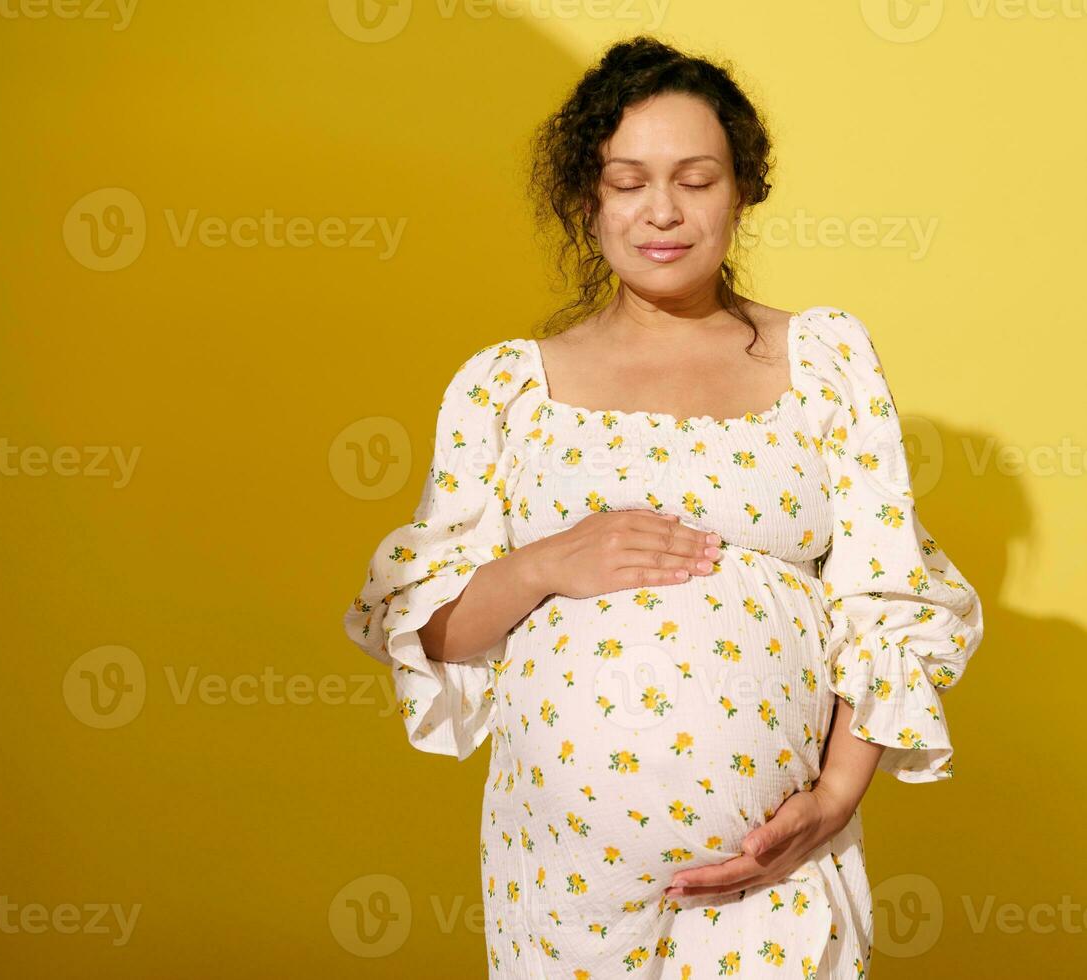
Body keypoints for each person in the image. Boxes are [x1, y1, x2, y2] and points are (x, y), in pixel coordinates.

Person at [344, 36, 983, 979]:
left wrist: (833, 799)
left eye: (696, 179)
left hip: (777, 866)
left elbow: (882, 595)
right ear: (586, 198)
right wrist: (543, 564)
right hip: (559, 888)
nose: (663, 212)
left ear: (742, 191)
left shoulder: (824, 362)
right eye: (627, 181)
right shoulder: (505, 390)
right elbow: (422, 628)